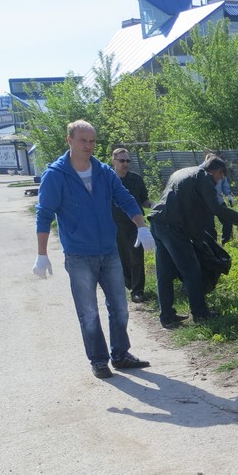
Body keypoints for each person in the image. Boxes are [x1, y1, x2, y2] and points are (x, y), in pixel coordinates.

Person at [33, 120, 155, 379]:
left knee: (120, 307)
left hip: (109, 252)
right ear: (70, 141)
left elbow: (125, 198)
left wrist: (141, 226)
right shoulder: (56, 175)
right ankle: (99, 360)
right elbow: (44, 214)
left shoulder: (103, 172)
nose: (88, 146)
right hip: (79, 255)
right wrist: (42, 253)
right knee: (88, 312)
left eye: (92, 141)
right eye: (83, 140)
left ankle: (120, 355)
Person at [148, 155, 233, 328]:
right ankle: (201, 314)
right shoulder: (204, 178)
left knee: (164, 273)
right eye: (221, 176)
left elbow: (189, 206)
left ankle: (167, 316)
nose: (220, 180)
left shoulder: (183, 172)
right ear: (217, 171)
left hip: (157, 224)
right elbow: (215, 207)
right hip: (173, 229)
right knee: (192, 270)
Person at [110, 146, 152, 303]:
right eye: (122, 160)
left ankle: (137, 290)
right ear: (114, 161)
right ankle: (127, 283)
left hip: (135, 225)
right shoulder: (108, 179)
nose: (125, 164)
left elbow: (144, 200)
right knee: (121, 258)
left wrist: (155, 205)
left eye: (128, 160)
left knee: (136, 258)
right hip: (114, 225)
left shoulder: (136, 179)